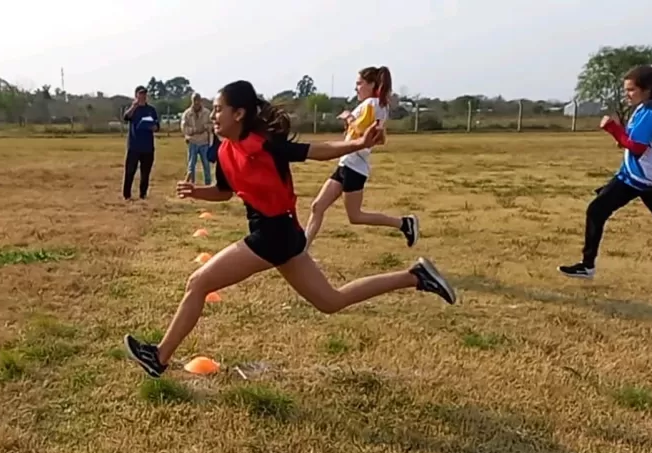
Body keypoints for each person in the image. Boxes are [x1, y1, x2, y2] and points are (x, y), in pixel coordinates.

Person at [124, 80, 456, 378]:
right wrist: (199, 192)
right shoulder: (224, 151)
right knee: (331, 301)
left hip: (273, 234)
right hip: (283, 236)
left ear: (239, 114)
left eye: (218, 109)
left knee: (198, 282)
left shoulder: (264, 144)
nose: (214, 115)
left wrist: (356, 144)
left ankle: (159, 357)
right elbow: (225, 192)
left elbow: (316, 151)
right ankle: (416, 276)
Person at [558, 64, 652, 279]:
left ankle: (587, 266)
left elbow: (638, 147)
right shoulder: (649, 108)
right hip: (640, 176)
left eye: (631, 90)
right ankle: (586, 266)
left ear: (648, 88)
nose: (627, 94)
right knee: (597, 209)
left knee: (597, 210)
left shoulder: (650, 111)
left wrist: (613, 129)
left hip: (642, 178)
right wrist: (623, 139)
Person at [303, 66, 419, 251]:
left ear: (372, 84)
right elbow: (378, 137)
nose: (356, 88)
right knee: (317, 206)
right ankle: (302, 250)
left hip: (354, 167)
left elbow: (365, 135)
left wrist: (349, 117)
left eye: (359, 83)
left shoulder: (372, 104)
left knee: (355, 216)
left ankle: (404, 223)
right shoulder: (376, 105)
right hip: (346, 163)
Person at [122, 85, 160, 201]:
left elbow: (157, 126)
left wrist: (154, 127)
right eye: (140, 94)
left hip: (148, 147)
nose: (143, 96)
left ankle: (143, 194)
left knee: (145, 173)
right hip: (134, 146)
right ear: (136, 95)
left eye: (144, 94)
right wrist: (134, 106)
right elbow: (126, 117)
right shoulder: (133, 110)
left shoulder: (151, 110)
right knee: (130, 171)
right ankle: (127, 195)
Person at [182, 92, 213, 185]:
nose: (196, 102)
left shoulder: (207, 113)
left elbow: (212, 125)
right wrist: (194, 130)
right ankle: (191, 183)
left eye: (198, 100)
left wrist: (205, 127)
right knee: (191, 165)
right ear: (192, 101)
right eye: (194, 100)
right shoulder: (187, 113)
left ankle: (208, 184)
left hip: (204, 142)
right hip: (193, 141)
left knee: (206, 164)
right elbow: (184, 127)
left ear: (200, 101)